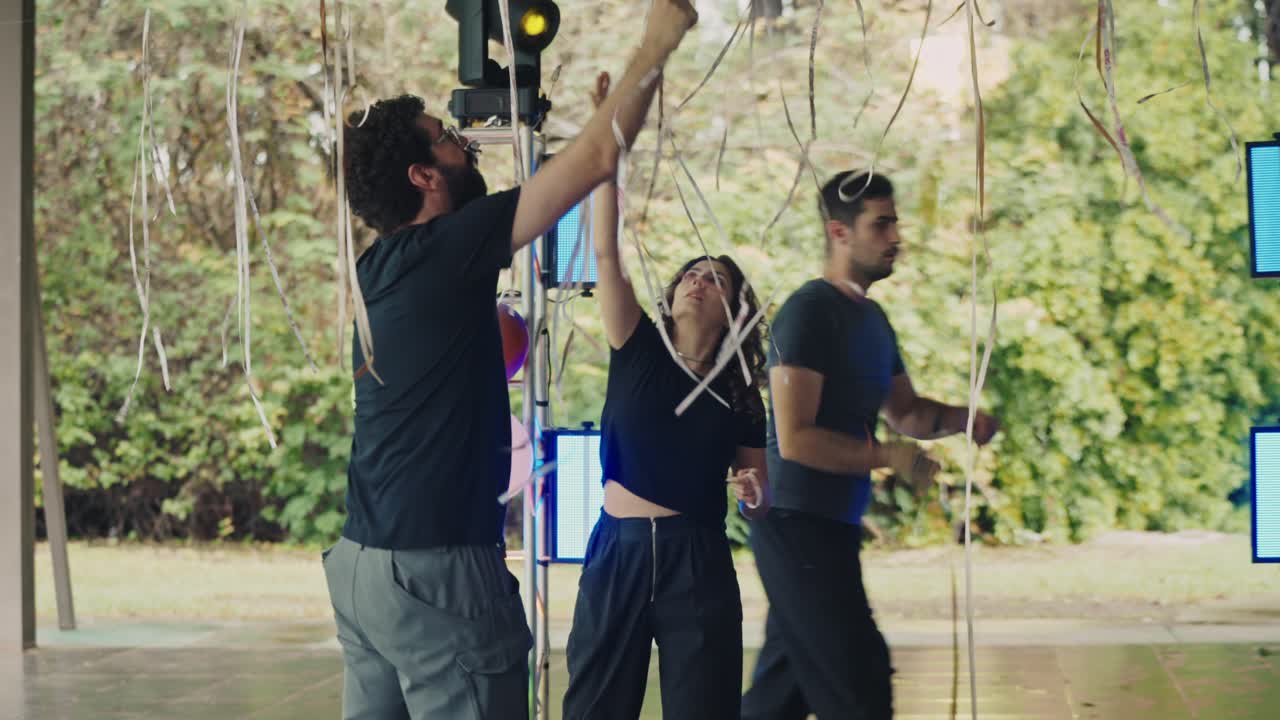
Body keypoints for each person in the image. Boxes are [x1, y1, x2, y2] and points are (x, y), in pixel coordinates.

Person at [319, 3, 700, 719]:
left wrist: (616, 112)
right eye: (447, 141)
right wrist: (659, 41)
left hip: (363, 566)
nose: (465, 143)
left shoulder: (378, 269)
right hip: (438, 570)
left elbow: (597, 152)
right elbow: (593, 159)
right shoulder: (450, 247)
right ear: (423, 176)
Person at [739, 170, 1000, 720]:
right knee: (858, 679)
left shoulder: (872, 319)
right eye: (880, 225)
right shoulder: (808, 312)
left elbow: (907, 412)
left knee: (782, 693)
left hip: (833, 527)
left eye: (894, 223)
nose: (895, 237)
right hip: (794, 523)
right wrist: (888, 457)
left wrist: (966, 419)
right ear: (839, 232)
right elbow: (796, 439)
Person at [560, 71, 771, 720]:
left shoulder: (740, 392)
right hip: (618, 548)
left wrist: (752, 491)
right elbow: (606, 250)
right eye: (691, 274)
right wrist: (608, 142)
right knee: (596, 705)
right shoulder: (638, 344)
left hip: (697, 556)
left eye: (716, 279)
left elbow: (755, 492)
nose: (698, 283)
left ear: (736, 310)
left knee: (704, 707)